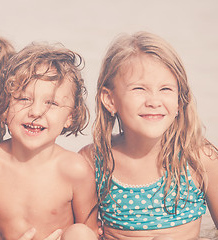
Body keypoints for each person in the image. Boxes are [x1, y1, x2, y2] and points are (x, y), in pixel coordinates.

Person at [77, 31, 217, 239]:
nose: (154, 101)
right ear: (110, 100)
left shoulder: (197, 157)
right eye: (139, 88)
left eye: (166, 89)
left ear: (179, 100)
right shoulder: (94, 161)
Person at [0, 38, 100, 240]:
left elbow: (91, 232)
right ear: (5, 106)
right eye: (23, 99)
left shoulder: (75, 170)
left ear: (70, 116)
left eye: (51, 103)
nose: (36, 111)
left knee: (80, 233)